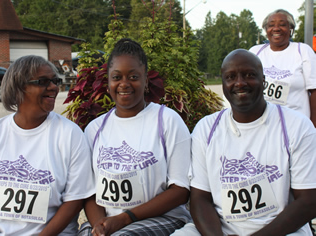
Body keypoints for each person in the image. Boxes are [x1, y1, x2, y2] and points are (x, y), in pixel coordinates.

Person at [172, 49, 316, 235]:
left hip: (281, 230)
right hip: (218, 228)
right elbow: (200, 198)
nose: (239, 82)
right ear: (223, 84)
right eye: (231, 77)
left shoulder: (297, 126)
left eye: (249, 75)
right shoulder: (206, 128)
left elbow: (308, 201)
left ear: (264, 81)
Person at [82, 38, 191, 236]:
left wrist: (124, 218)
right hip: (108, 221)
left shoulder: (166, 120)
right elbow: (89, 193)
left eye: (133, 76)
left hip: (163, 218)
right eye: (117, 77)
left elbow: (181, 190)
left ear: (146, 81)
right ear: (108, 82)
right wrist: (101, 226)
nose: (124, 84)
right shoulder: (94, 129)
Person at [0, 55, 95, 235]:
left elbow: (75, 199)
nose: (54, 87)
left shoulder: (69, 134)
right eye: (43, 81)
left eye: (55, 80)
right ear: (19, 88)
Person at [249, 9, 316, 127]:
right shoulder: (255, 52)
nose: (276, 28)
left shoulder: (302, 51)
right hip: (263, 125)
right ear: (266, 30)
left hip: (296, 126)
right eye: (271, 25)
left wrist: (313, 125)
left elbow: (314, 90)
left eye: (282, 24)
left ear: (291, 29)